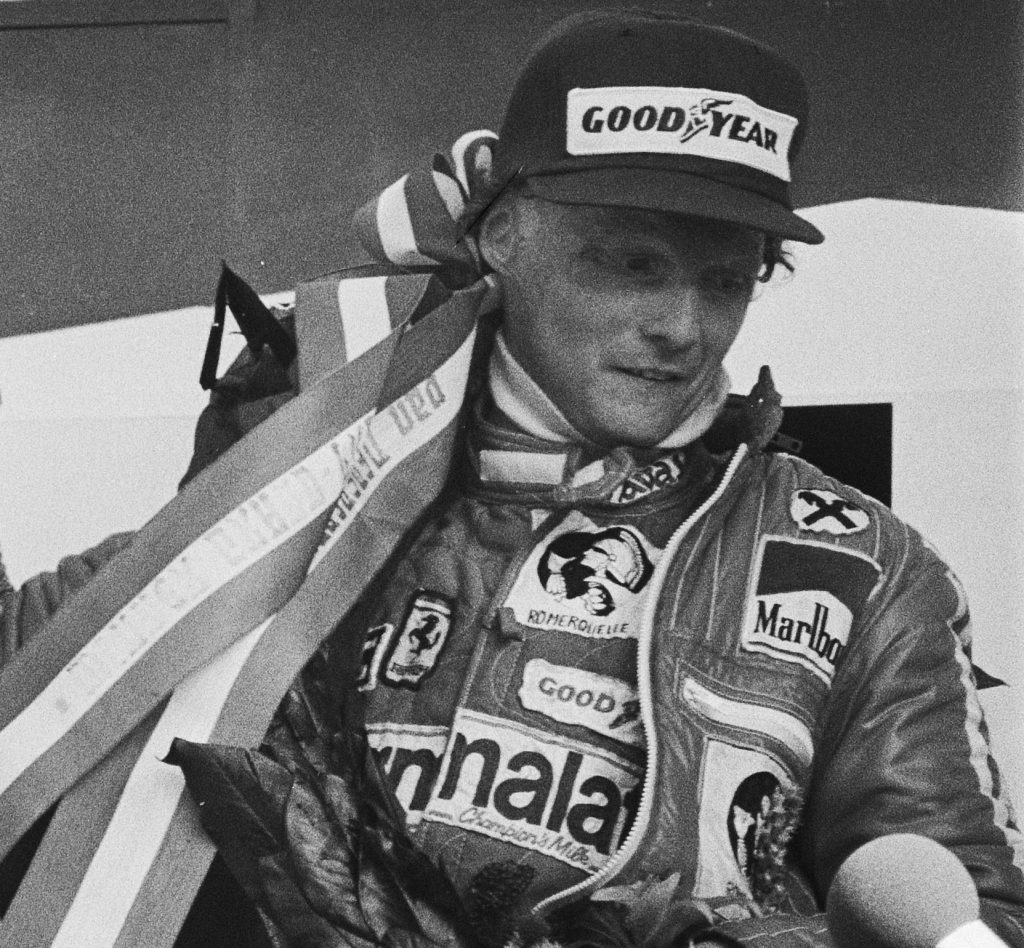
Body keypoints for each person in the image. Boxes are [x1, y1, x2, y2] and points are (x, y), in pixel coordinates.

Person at [2, 9, 1023, 947]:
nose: (682, 328)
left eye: (725, 280)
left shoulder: (861, 567)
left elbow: (976, 911)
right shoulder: (316, 478)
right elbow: (44, 677)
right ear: (501, 235)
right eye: (632, 264)